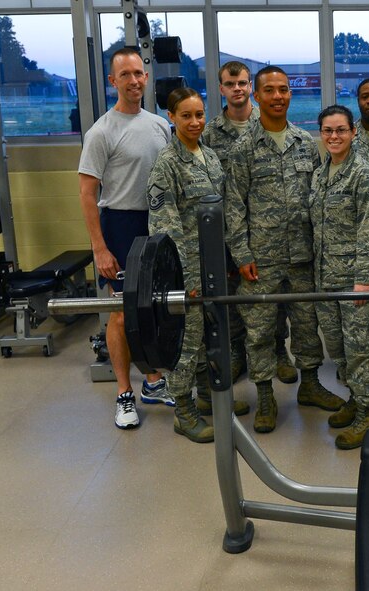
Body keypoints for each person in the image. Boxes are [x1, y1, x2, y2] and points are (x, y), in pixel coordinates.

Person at [224, 66, 344, 434]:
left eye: (284, 90)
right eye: (270, 91)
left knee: (308, 326)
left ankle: (309, 385)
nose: (278, 96)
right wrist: (242, 254)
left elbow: (321, 198)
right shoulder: (244, 148)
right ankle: (265, 397)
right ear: (257, 97)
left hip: (303, 256)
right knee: (259, 331)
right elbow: (234, 205)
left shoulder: (307, 143)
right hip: (261, 260)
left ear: (291, 95)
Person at [78, 48, 171, 430]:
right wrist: (100, 248)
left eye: (139, 73)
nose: (134, 80)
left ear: (146, 78)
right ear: (112, 81)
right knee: (119, 314)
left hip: (157, 223)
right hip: (119, 225)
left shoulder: (159, 125)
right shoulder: (102, 131)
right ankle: (124, 394)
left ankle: (152, 381)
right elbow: (87, 194)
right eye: (125, 75)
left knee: (152, 308)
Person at [202, 60, 297, 386]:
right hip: (241, 236)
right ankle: (241, 354)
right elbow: (226, 196)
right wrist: (237, 249)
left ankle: (279, 351)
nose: (238, 89)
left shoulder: (280, 126)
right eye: (231, 84)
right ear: (222, 88)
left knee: (281, 305)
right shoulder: (212, 134)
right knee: (244, 307)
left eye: (242, 83)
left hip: (285, 243)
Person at [146, 88, 226, 442]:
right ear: (171, 118)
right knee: (188, 339)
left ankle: (207, 396)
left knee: (212, 332)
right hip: (187, 269)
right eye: (186, 116)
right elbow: (165, 226)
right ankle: (183, 409)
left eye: (199, 114)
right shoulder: (167, 164)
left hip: (213, 263)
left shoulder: (209, 156)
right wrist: (186, 277)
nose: (195, 122)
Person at [309, 104, 369, 450]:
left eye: (341, 130)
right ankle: (356, 398)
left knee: (362, 350)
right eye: (328, 131)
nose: (334, 137)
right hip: (327, 277)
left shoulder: (363, 174)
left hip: (357, 279)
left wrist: (364, 278)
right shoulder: (321, 173)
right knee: (339, 350)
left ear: (353, 132)